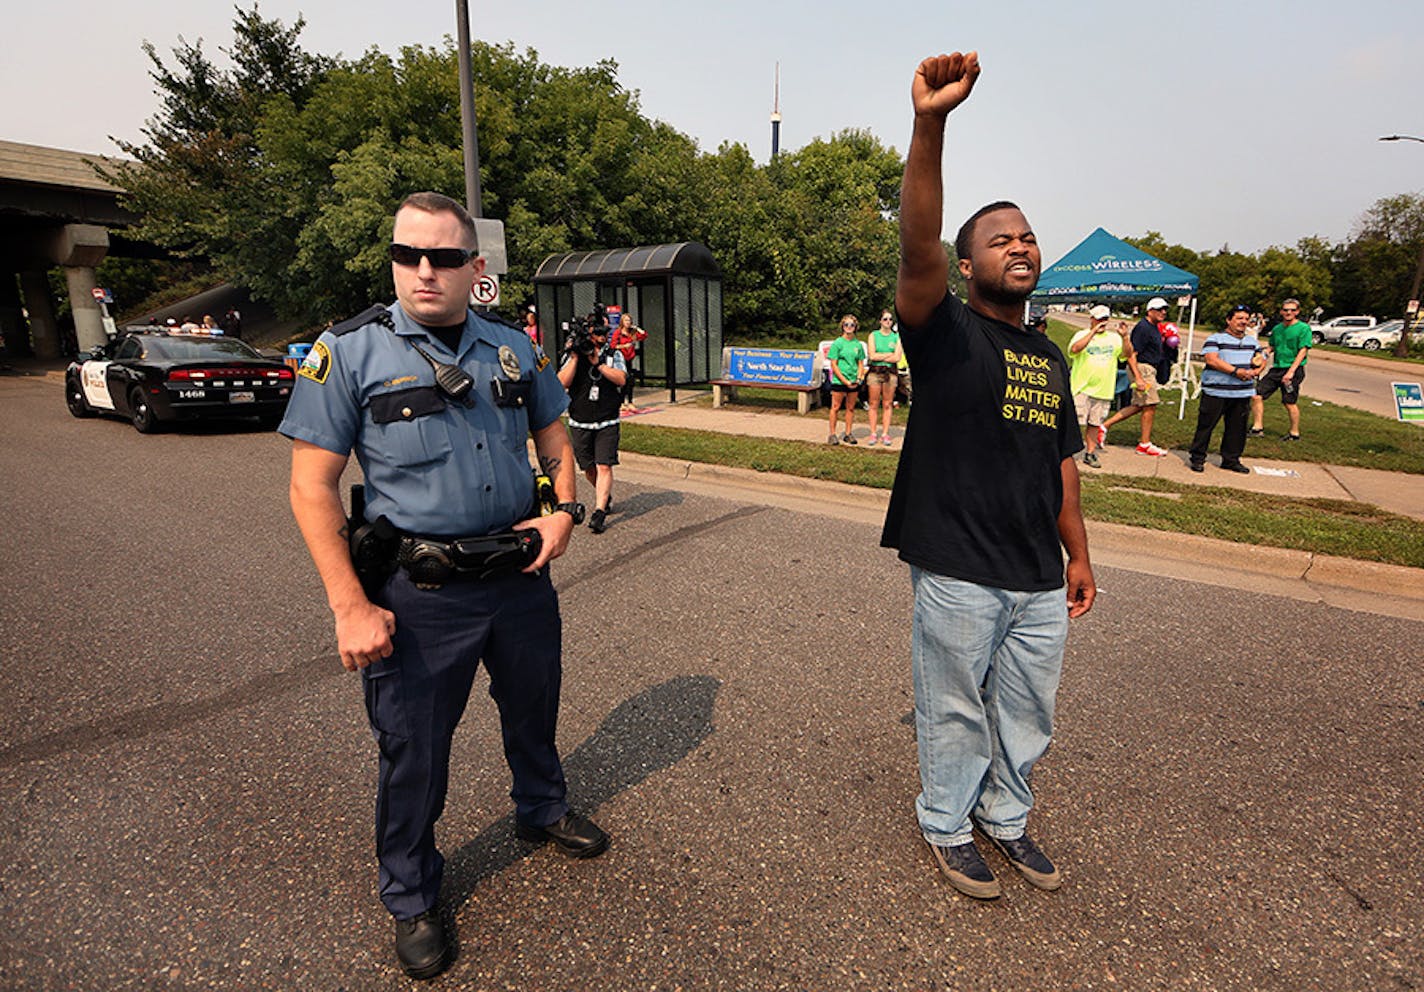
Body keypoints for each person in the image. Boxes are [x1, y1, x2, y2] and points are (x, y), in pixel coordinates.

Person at [280, 191, 606, 981]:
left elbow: (556, 440)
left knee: (535, 706)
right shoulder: (347, 351)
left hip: (520, 576)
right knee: (414, 751)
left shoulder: (511, 348)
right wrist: (350, 605)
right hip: (421, 593)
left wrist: (563, 513)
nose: (424, 272)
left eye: (444, 257)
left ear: (475, 267)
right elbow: (310, 487)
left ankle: (540, 808)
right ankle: (412, 892)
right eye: (407, 255)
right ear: (393, 259)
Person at [881, 51, 1095, 902]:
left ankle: (1005, 819)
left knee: (1025, 715)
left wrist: (1078, 555)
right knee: (956, 708)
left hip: (1039, 574)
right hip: (961, 567)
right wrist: (931, 122)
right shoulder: (943, 333)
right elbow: (916, 239)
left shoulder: (1047, 354)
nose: (1021, 245)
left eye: (1028, 234)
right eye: (999, 238)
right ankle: (947, 822)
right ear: (965, 266)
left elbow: (1062, 464)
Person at [558, 311, 627, 533]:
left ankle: (599, 512)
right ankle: (604, 494)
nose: (603, 336)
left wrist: (599, 365)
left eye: (606, 331)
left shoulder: (613, 354)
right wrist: (577, 357)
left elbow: (621, 379)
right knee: (588, 467)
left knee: (604, 464)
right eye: (598, 331)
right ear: (588, 332)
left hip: (607, 420)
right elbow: (561, 383)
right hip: (581, 421)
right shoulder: (573, 354)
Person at [1190, 304, 1264, 473]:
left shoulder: (1252, 342)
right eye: (1239, 318)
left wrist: (1256, 370)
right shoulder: (1215, 339)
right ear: (1229, 320)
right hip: (1216, 391)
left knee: (1237, 428)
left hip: (1242, 392)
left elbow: (1261, 358)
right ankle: (1197, 458)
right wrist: (1236, 372)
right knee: (1206, 426)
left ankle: (1231, 460)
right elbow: (1212, 360)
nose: (1243, 322)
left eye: (1246, 319)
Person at [1098, 296, 1170, 456]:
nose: (1163, 312)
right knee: (1150, 405)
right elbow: (1132, 353)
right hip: (1142, 368)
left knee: (1140, 405)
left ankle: (1104, 426)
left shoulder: (1154, 327)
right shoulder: (1143, 328)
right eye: (1159, 309)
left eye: (1165, 309)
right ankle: (1144, 444)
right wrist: (1138, 377)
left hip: (1148, 369)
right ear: (1150, 311)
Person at [1068, 305, 1138, 468]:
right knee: (1074, 422)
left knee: (1094, 423)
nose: (1102, 322)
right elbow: (1074, 349)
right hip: (1082, 387)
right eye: (1098, 319)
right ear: (1091, 319)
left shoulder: (1113, 339)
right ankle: (1066, 452)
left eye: (1104, 319)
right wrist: (1092, 333)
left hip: (1103, 389)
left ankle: (1090, 453)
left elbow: (1127, 354)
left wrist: (1125, 337)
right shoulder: (1081, 335)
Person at [1250, 297, 1310, 441]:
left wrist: (1291, 372)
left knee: (1289, 402)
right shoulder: (1277, 329)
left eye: (1292, 310)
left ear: (1297, 312)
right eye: (1285, 310)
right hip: (1277, 368)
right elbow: (1272, 346)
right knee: (1257, 394)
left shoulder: (1303, 328)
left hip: (1293, 369)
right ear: (1281, 311)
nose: (1288, 312)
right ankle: (1257, 428)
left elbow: (1303, 351)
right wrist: (1262, 355)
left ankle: (1294, 433)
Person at [826, 315, 866, 444]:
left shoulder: (858, 345)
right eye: (846, 325)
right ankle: (832, 434)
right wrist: (844, 381)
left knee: (850, 407)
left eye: (852, 325)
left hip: (854, 380)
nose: (849, 327)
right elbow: (834, 364)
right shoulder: (838, 343)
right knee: (836, 407)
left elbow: (860, 363)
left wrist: (859, 378)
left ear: (855, 327)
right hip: (840, 380)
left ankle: (848, 433)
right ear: (842, 327)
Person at [865, 310, 903, 446]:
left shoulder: (896, 337)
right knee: (873, 403)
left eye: (890, 319)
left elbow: (897, 357)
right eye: (885, 319)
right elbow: (872, 355)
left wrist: (880, 354)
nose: (888, 322)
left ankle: (885, 433)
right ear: (880, 321)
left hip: (890, 373)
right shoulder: (873, 335)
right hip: (875, 372)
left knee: (887, 403)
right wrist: (888, 355)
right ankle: (873, 432)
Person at [609, 312, 647, 412]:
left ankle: (630, 402)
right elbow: (613, 346)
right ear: (622, 322)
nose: (628, 322)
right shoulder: (618, 332)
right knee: (624, 381)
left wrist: (637, 328)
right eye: (626, 320)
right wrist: (623, 346)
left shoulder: (632, 333)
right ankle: (621, 402)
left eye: (629, 320)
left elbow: (643, 336)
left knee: (630, 380)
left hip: (630, 358)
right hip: (621, 359)